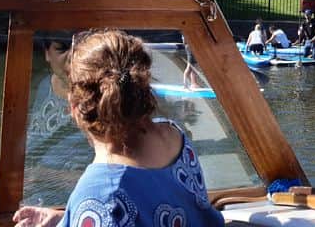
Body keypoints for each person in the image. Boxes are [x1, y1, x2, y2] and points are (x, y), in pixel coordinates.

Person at [13, 29, 225, 227]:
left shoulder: (100, 194)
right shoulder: (173, 135)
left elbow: (110, 209)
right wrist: (65, 217)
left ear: (74, 108)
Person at [24, 35, 94, 208]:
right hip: (35, 204)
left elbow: (110, 177)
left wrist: (45, 176)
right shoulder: (43, 86)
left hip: (80, 208)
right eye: (62, 49)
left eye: (80, 48)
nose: (72, 57)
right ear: (47, 53)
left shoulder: (104, 101)